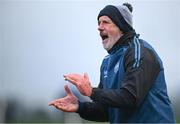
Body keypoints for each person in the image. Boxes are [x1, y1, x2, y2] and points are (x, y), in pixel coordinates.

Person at [49, 3, 176, 123]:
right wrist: (79, 107)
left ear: (121, 26)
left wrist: (92, 92)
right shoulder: (107, 62)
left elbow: (131, 97)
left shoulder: (139, 52)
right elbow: (107, 111)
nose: (99, 27)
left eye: (105, 22)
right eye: (99, 23)